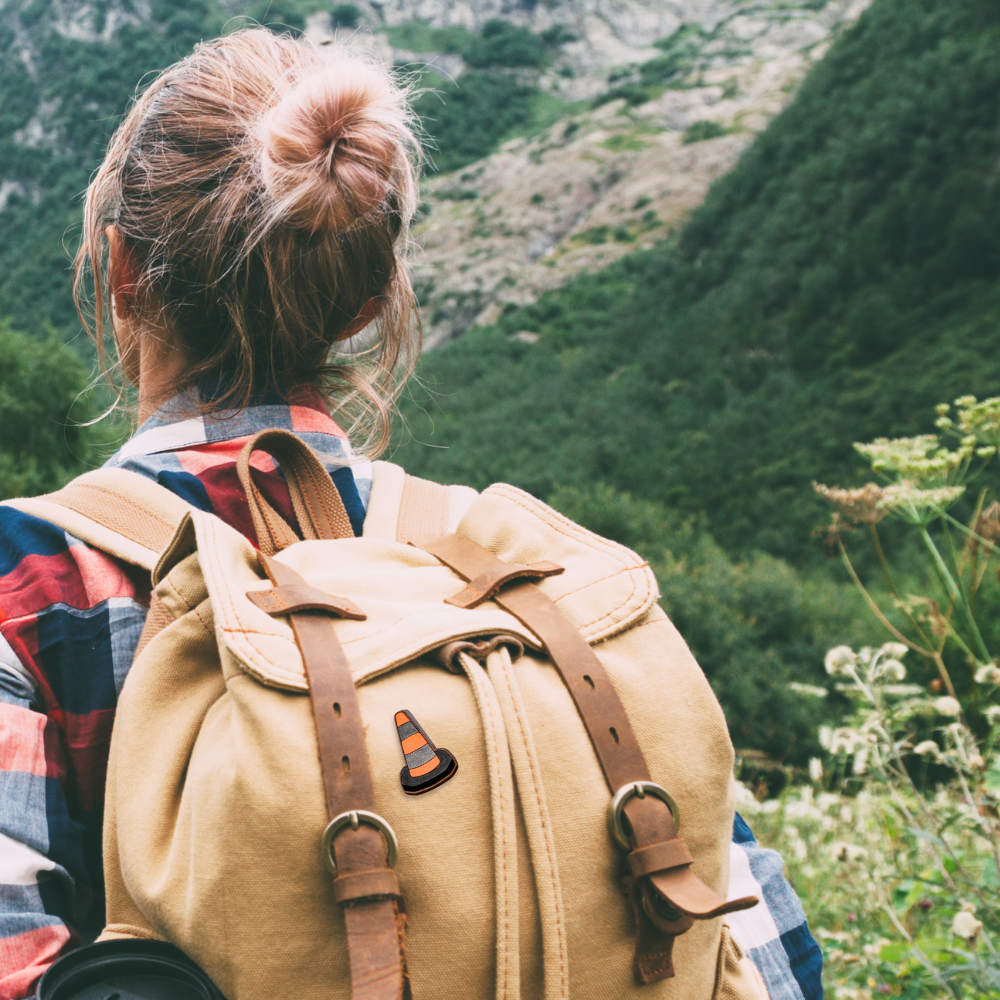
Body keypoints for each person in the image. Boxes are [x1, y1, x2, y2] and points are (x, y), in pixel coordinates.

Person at [0, 28, 821, 1000]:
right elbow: (761, 953)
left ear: (121, 270)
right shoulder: (520, 572)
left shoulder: (34, 583)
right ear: (368, 304)